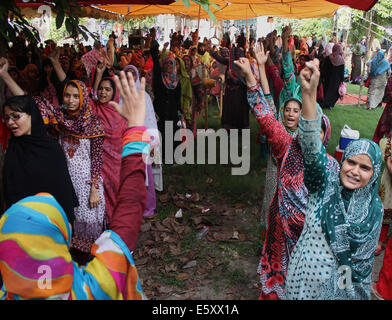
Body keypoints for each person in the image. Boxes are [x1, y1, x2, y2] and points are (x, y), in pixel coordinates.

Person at [0, 70, 148, 300]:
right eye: (66, 95)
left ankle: (81, 259)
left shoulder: (8, 292)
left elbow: (97, 158)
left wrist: (94, 186)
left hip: (85, 182)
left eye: (74, 95)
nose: (69, 100)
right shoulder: (59, 119)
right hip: (66, 179)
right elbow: (31, 106)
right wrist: (136, 130)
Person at [285, 58, 383, 300]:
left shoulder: (375, 209)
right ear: (341, 162)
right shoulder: (323, 185)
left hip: (343, 293)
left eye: (365, 168)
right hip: (304, 284)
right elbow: (311, 149)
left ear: (374, 174)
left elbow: (362, 265)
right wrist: (308, 96)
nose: (355, 171)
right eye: (350, 162)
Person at [91, 60, 128, 226]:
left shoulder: (120, 114)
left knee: (117, 196)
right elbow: (87, 96)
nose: (103, 92)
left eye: (107, 89)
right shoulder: (93, 108)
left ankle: (117, 227)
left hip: (117, 164)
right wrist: (99, 73)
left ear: (114, 93)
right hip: (98, 164)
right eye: (101, 89)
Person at [321, 43, 345, 109]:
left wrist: (323, 76)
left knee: (327, 90)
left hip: (328, 78)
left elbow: (324, 68)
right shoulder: (341, 60)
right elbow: (341, 71)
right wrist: (342, 80)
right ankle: (330, 104)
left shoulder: (328, 57)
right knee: (334, 91)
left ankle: (325, 103)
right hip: (336, 79)